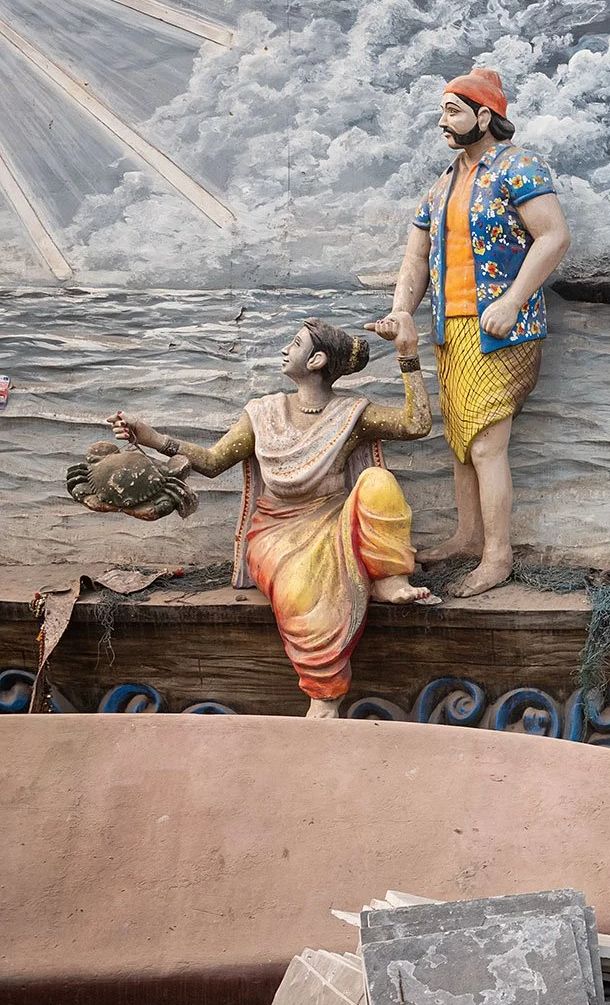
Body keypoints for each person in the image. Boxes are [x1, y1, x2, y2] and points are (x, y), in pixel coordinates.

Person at [109, 313, 439, 716]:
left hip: (335, 519)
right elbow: (213, 462)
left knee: (378, 481)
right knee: (299, 590)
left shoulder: (352, 414)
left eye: (296, 343)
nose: (285, 350)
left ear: (316, 361)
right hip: (276, 533)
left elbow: (416, 423)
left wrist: (407, 352)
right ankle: (325, 695)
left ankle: (389, 577)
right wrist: (154, 438)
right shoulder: (263, 413)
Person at [377, 68, 571, 598]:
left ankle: (498, 556)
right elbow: (416, 255)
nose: (443, 120)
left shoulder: (518, 166)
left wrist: (512, 300)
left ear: (484, 116)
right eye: (442, 110)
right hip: (451, 329)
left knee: (487, 444)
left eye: (453, 110)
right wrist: (401, 311)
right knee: (460, 441)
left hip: (502, 328)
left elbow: (553, 236)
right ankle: (467, 536)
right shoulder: (443, 184)